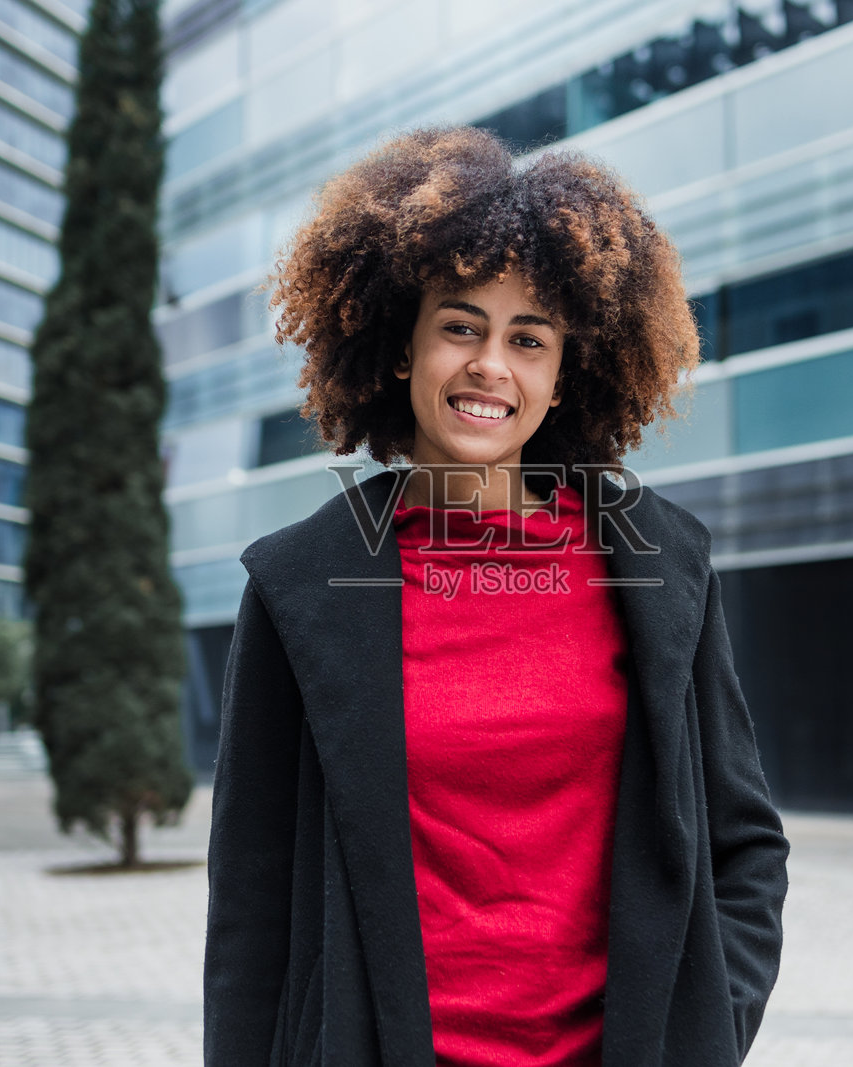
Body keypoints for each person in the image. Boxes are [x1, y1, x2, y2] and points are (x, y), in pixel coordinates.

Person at [204, 126, 788, 1067]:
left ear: (563, 377)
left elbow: (745, 843)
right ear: (403, 349)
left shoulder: (656, 566)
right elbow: (250, 904)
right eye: (461, 326)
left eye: (529, 338)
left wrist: (707, 1024)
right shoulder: (300, 586)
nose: (491, 367)